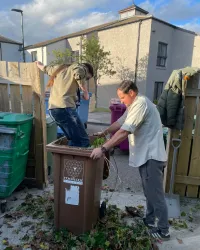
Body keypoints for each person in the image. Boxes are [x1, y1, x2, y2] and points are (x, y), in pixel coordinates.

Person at [90, 80, 170, 240]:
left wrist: (103, 148)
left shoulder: (141, 104)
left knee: (155, 194)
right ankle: (149, 220)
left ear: (131, 93)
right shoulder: (133, 106)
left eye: (122, 97)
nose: (121, 101)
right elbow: (120, 123)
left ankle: (163, 230)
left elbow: (123, 132)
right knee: (149, 192)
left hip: (151, 156)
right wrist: (104, 132)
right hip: (146, 155)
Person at [36, 61, 94, 147]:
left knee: (74, 139)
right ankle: (81, 160)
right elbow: (79, 71)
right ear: (88, 71)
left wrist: (38, 64)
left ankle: (69, 159)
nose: (85, 79)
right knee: (83, 141)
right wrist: (85, 93)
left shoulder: (60, 69)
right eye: (87, 78)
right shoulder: (80, 68)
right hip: (65, 108)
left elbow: (46, 69)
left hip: (53, 110)